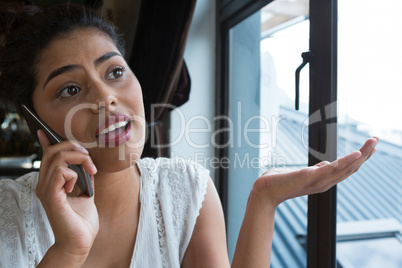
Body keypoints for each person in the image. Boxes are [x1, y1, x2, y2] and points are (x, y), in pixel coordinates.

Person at [0, 2, 378, 267]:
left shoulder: (184, 190)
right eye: (69, 89)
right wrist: (68, 251)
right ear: (35, 123)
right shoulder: (7, 215)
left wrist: (264, 200)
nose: (106, 98)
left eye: (114, 72)